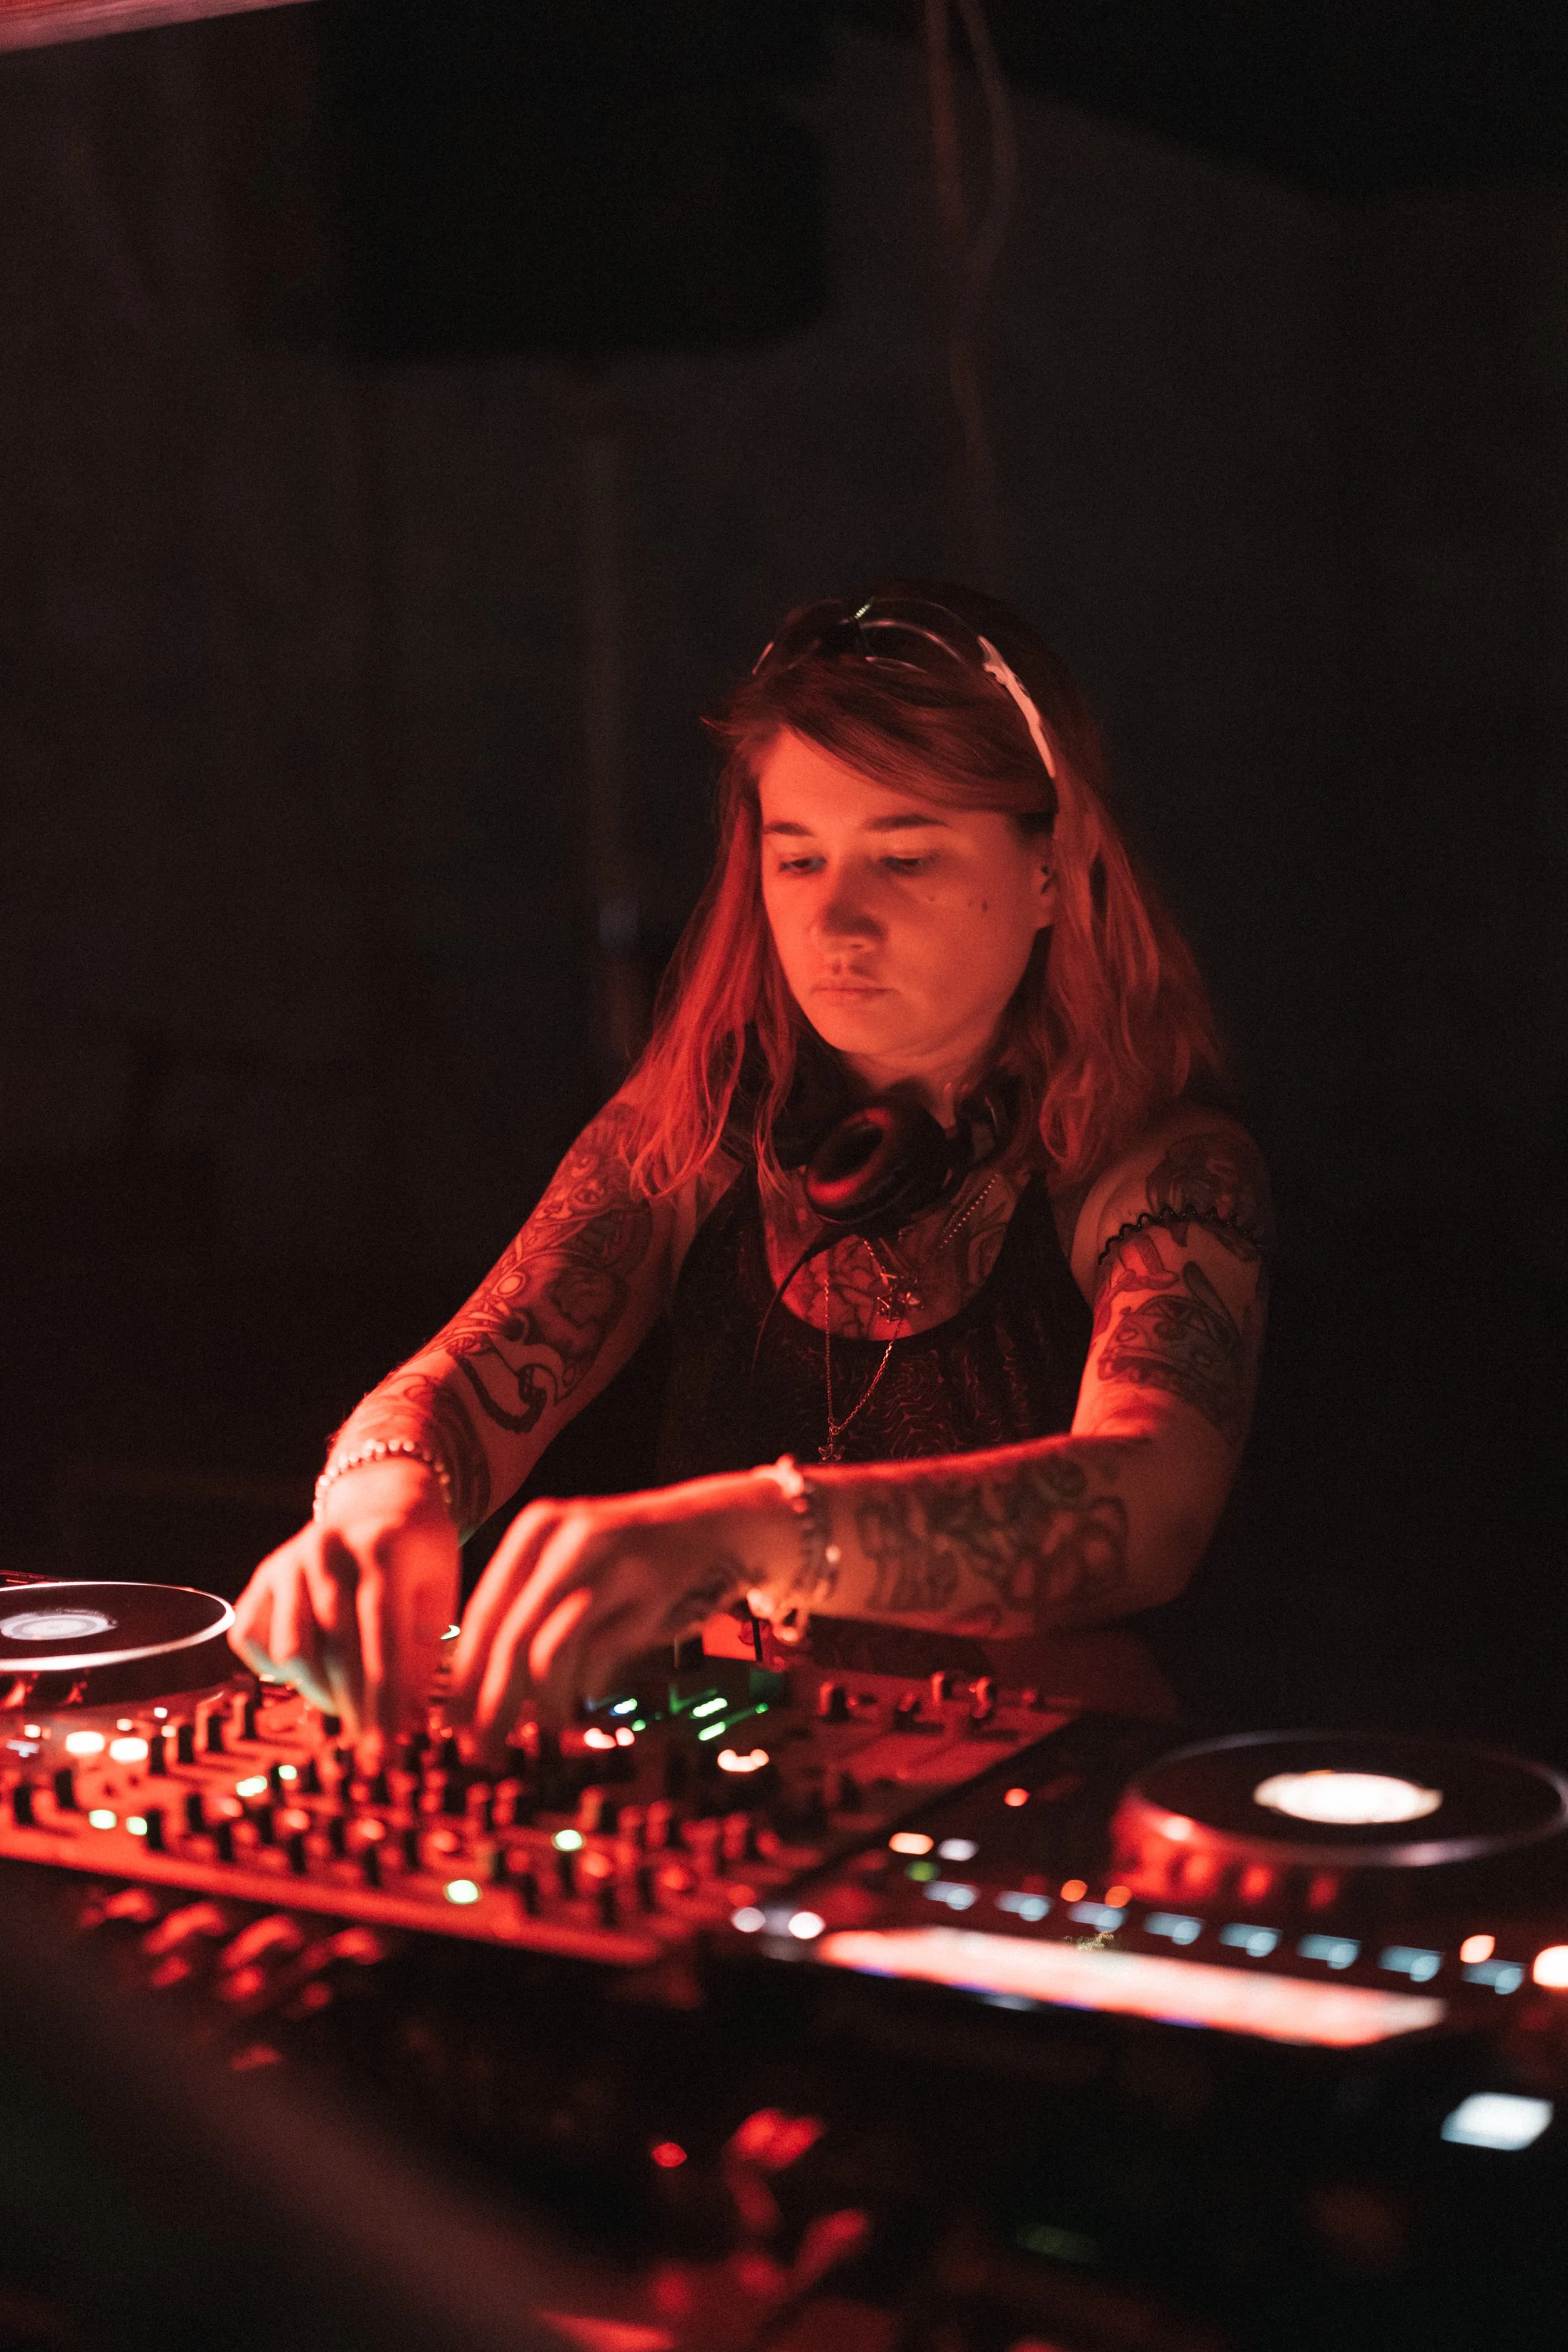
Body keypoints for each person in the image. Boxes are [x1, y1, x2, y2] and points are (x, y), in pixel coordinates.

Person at [231, 585, 1271, 1762]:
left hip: (1040, 1794)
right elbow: (475, 1369)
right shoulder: (702, 1121)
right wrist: (380, 1499)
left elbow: (1148, 1504)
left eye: (906, 855)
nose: (837, 918)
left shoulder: (1170, 1171)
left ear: (1052, 869)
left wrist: (748, 1532)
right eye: (798, 858)